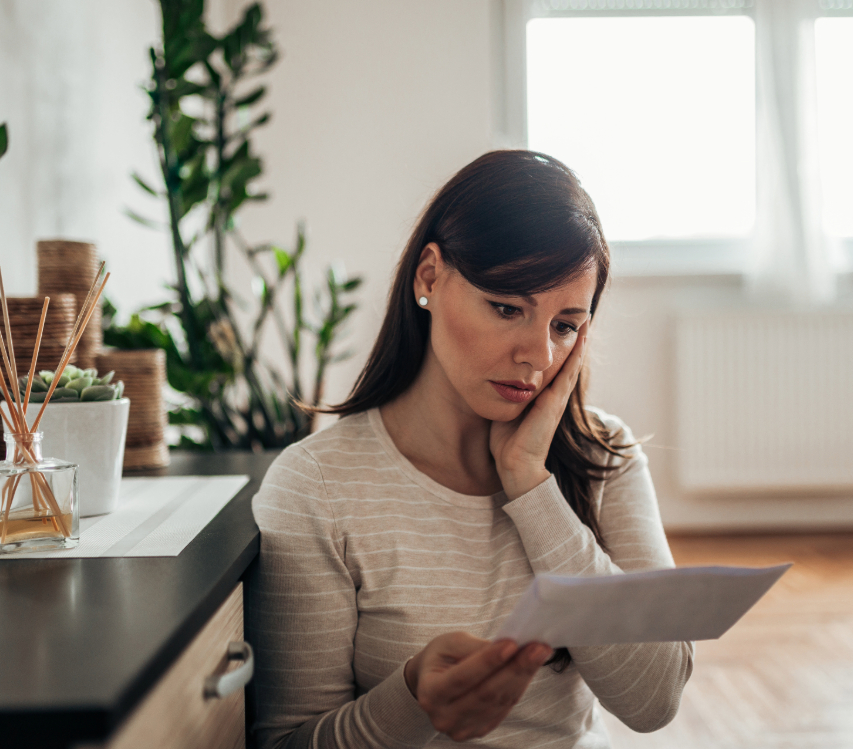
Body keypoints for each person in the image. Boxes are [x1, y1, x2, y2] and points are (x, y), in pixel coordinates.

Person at [248, 150, 693, 748]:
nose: (537, 355)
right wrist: (410, 698)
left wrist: (531, 487)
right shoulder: (318, 487)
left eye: (564, 326)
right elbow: (288, 742)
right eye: (507, 308)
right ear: (429, 278)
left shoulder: (602, 455)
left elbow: (655, 700)